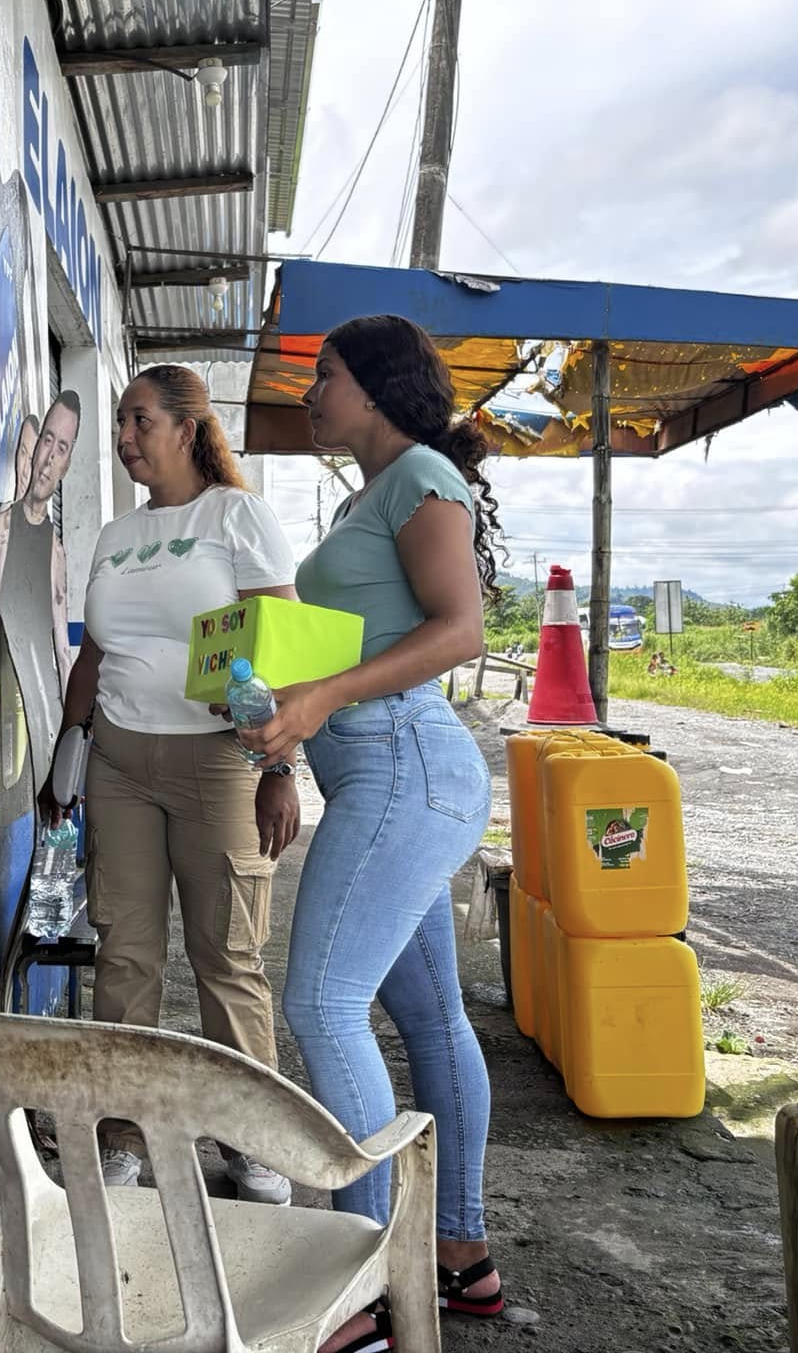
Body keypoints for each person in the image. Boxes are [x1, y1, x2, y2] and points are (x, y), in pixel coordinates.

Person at [240, 315, 507, 1329]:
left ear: (379, 384)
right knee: (430, 1017)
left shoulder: (419, 479)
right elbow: (349, 646)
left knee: (319, 1005)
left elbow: (460, 630)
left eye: (327, 375)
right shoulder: (369, 495)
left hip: (404, 765)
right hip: (380, 775)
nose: (311, 393)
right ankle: (457, 1255)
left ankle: (364, 1275)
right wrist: (279, 708)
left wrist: (321, 696)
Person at [38, 365, 303, 1206]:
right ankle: (121, 1136)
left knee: (227, 957)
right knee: (125, 954)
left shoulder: (236, 517)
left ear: (188, 428)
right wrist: (67, 748)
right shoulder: (117, 536)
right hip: (118, 763)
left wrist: (279, 767)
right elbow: (95, 654)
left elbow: (282, 643)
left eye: (139, 420)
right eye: (119, 422)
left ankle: (252, 1139)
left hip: (217, 764)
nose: (124, 438)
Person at [0, 392, 80, 802]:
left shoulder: (55, 548)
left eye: (61, 448)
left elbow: (62, 647)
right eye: (47, 441)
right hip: (6, 690)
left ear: (66, 464)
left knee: (45, 798)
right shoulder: (4, 527)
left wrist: (68, 723)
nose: (47, 459)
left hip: (43, 701)